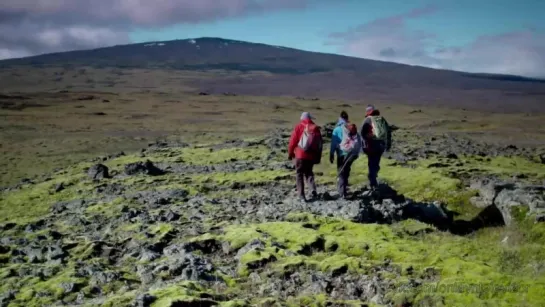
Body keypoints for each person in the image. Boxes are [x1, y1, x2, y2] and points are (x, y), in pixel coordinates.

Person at [288, 112, 323, 202]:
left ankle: (301, 196)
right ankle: (312, 190)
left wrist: (290, 153)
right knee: (309, 173)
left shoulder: (299, 127)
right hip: (311, 156)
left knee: (299, 174)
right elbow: (320, 144)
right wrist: (318, 157)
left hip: (300, 155)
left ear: (302, 118)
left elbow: (292, 142)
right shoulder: (315, 128)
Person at [360, 104, 392, 190]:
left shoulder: (367, 120)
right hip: (380, 146)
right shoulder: (381, 119)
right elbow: (388, 132)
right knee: (376, 162)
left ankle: (372, 181)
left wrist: (363, 146)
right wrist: (388, 145)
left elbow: (362, 133)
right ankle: (374, 176)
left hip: (371, 146)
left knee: (371, 163)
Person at [329, 111, 360, 199]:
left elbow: (334, 143)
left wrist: (331, 154)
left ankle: (341, 192)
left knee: (341, 172)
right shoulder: (350, 128)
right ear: (347, 118)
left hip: (341, 154)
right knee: (346, 171)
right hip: (351, 154)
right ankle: (344, 190)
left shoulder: (337, 129)